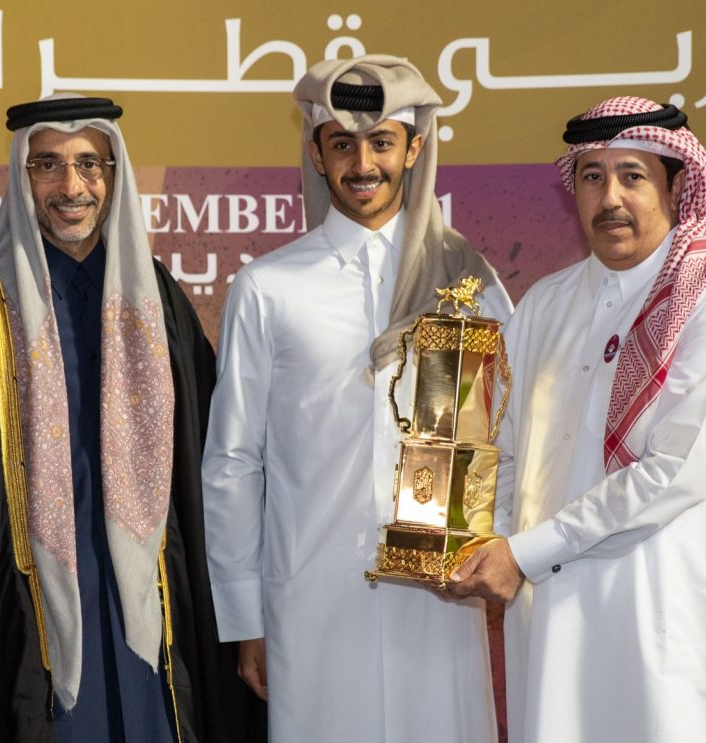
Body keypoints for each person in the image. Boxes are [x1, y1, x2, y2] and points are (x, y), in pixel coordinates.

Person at [0, 95, 265, 743]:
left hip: (149, 608)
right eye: (48, 165)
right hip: (18, 612)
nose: (71, 186)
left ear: (114, 176)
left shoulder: (157, 299)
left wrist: (247, 613)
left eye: (90, 164)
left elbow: (216, 471)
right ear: (20, 174)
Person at [448, 96, 706, 742]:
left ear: (677, 184)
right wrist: (484, 544)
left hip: (670, 629)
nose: (610, 197)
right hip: (554, 629)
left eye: (632, 175)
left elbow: (677, 471)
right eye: (592, 176)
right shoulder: (544, 306)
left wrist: (523, 553)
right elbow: (502, 452)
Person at [201, 55, 512, 743]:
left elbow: (504, 435)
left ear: (413, 149)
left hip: (441, 604)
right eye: (342, 143)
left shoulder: (466, 279)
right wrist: (246, 616)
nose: (362, 164)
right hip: (312, 604)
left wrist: (499, 552)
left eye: (381, 143)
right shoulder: (267, 287)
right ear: (316, 153)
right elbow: (232, 463)